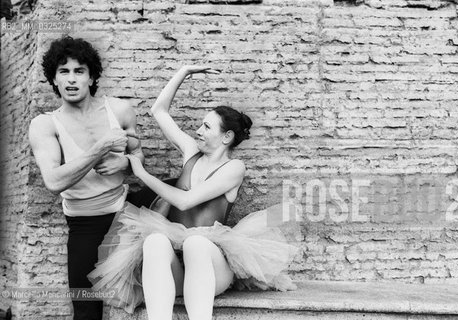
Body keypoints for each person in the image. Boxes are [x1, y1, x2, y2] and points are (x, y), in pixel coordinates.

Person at [88, 66, 297, 319]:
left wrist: (142, 174)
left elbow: (185, 202)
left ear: (226, 137)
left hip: (211, 267)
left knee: (195, 242)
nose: (198, 130)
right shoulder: (190, 152)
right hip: (177, 270)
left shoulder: (234, 168)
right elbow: (159, 111)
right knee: (153, 241)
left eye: (207, 127)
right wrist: (183, 72)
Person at [28, 36, 144, 320]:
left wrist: (126, 162)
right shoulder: (45, 125)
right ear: (53, 80)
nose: (71, 79)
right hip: (85, 223)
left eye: (79, 71)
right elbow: (54, 182)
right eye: (63, 72)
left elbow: (139, 157)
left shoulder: (120, 111)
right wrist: (101, 148)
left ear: (92, 77)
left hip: (126, 211)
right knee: (85, 308)